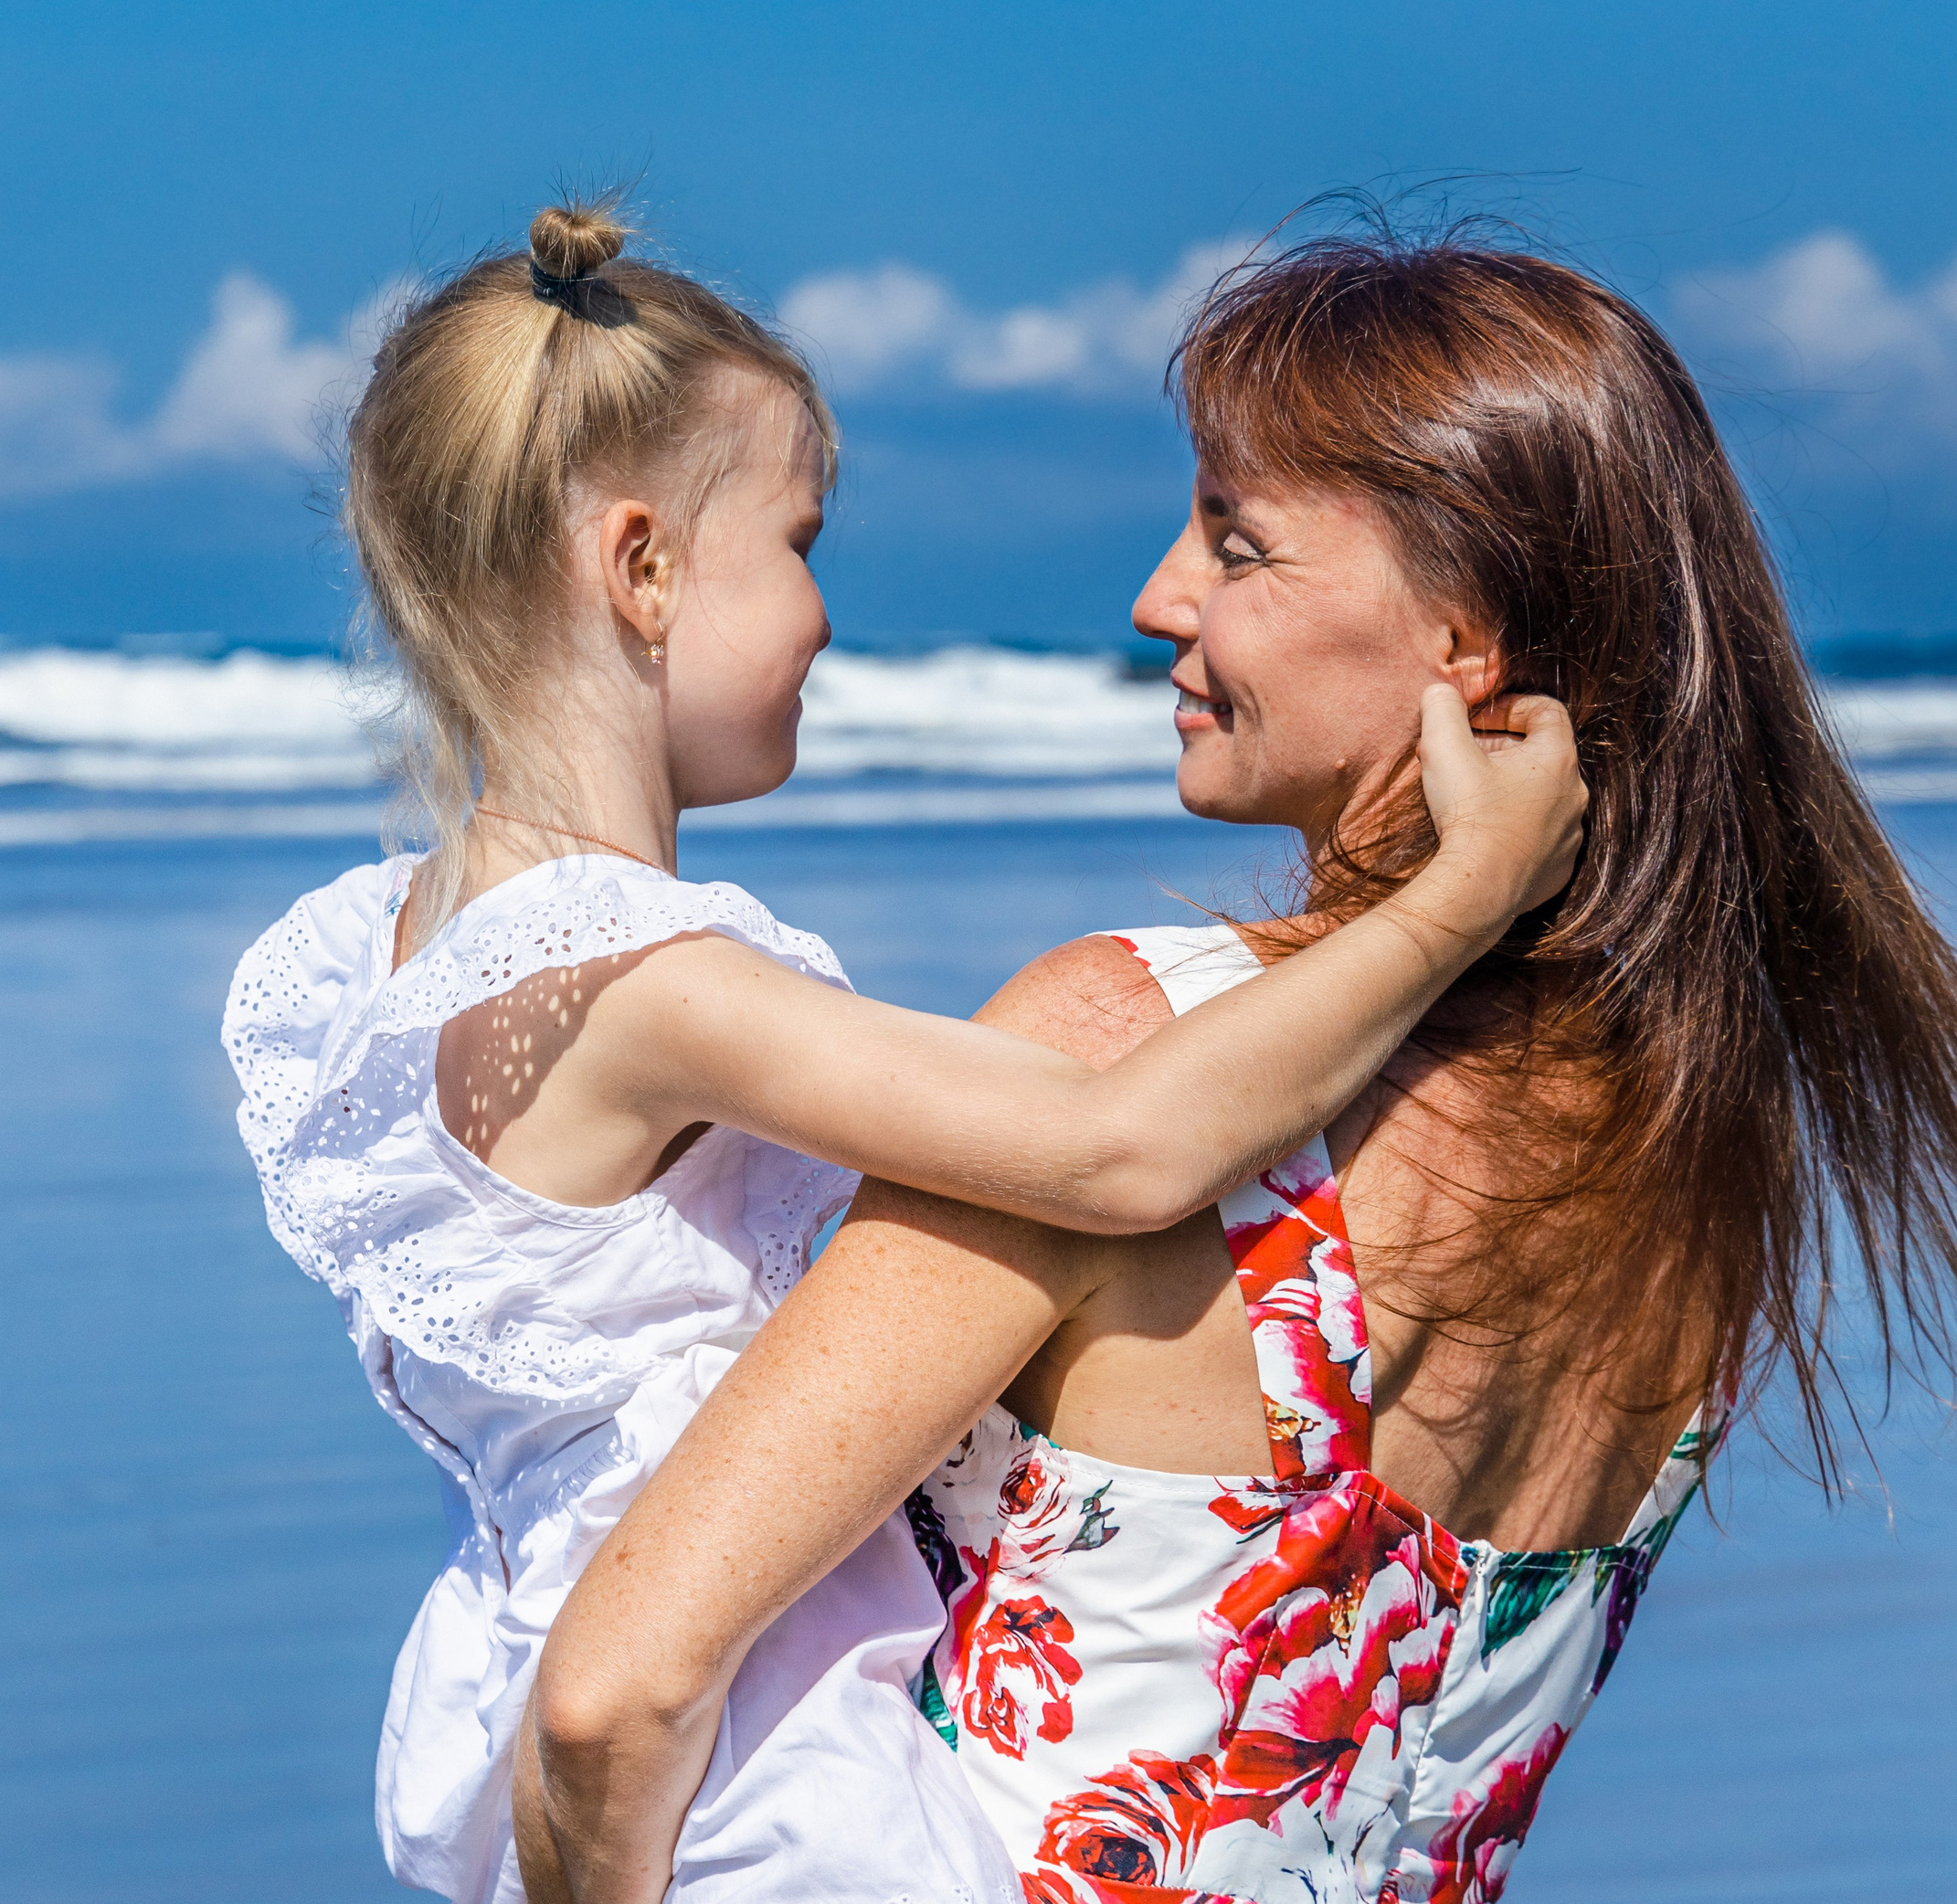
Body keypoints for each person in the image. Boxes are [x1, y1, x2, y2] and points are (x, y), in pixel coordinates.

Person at [520, 232, 1957, 1904]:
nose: (1159, 599)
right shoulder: (1712, 1135)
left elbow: (612, 1696)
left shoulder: (1131, 1048)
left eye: (1238, 541)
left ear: (1465, 638)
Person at [221, 203, 1587, 1904]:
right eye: (800, 544)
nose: (820, 617)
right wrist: (1459, 904)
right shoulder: (653, 985)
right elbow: (1119, 1146)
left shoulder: (400, 952)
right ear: (640, 567)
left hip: (534, 1684)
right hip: (736, 1741)